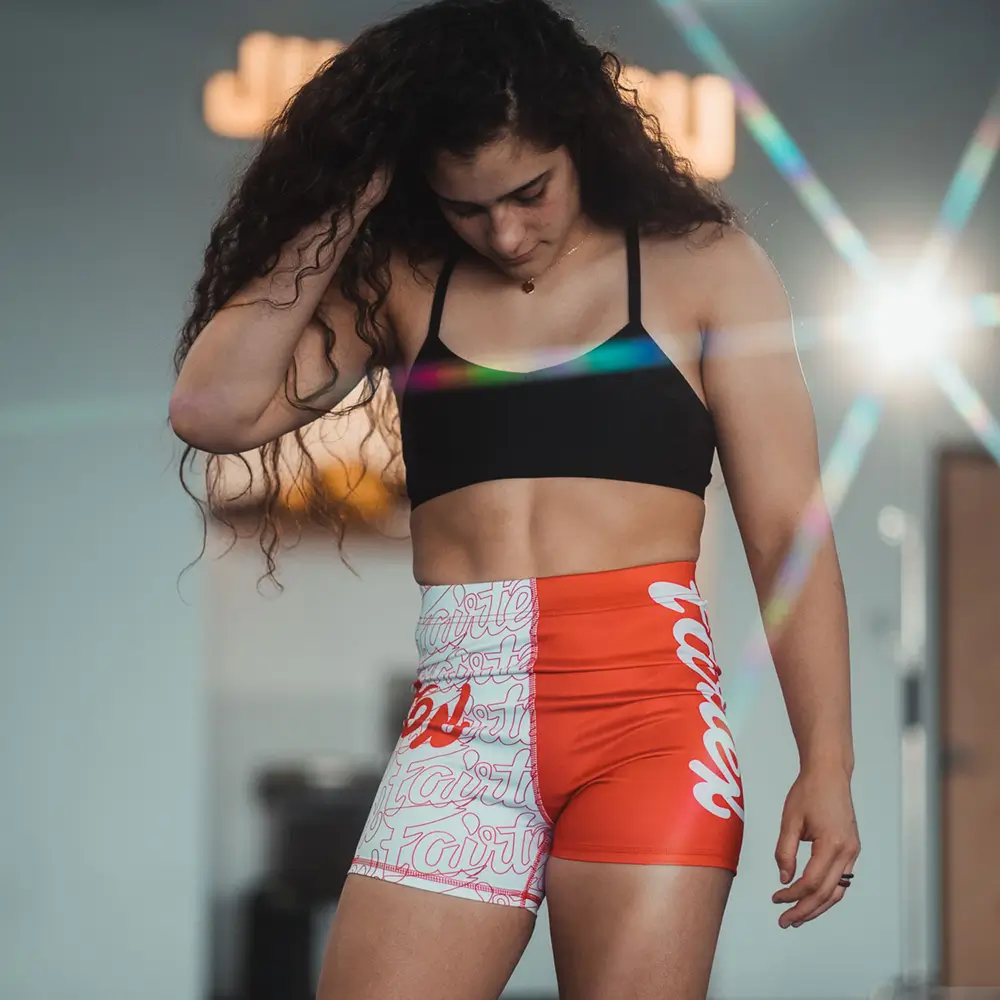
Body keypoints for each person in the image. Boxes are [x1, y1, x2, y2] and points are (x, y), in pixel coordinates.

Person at [169, 0, 860, 997]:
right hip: (462, 724)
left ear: (579, 137)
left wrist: (827, 761)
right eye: (466, 206)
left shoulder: (703, 268)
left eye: (529, 192)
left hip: (649, 723)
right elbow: (212, 408)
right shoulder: (404, 281)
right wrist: (346, 197)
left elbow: (785, 532)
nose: (504, 229)